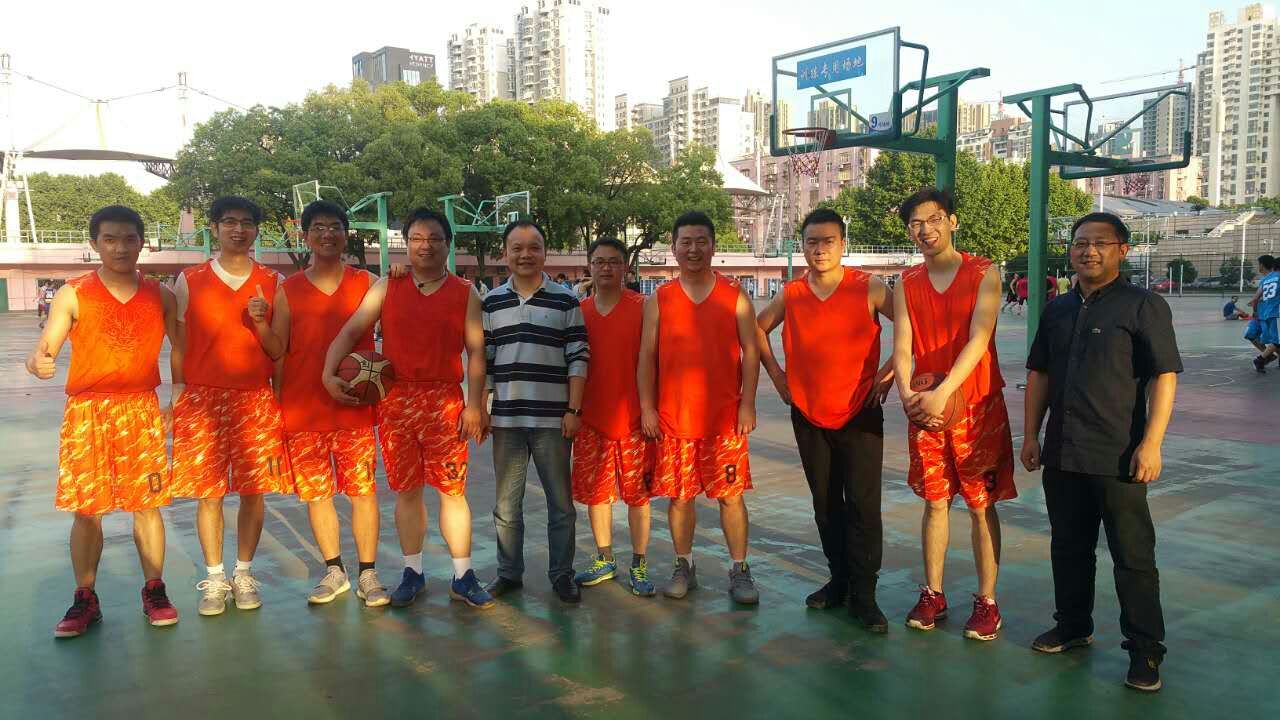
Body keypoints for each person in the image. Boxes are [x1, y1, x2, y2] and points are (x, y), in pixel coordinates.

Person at [1021, 212, 1181, 693]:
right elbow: (1040, 374)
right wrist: (1030, 435)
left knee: (1133, 557)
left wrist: (1151, 443)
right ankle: (1073, 625)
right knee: (1068, 548)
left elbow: (1163, 376)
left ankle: (1145, 650)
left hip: (1118, 456)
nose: (1088, 251)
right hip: (1063, 452)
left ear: (1122, 251)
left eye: (1101, 243)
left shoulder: (1143, 306)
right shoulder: (1057, 309)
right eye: (1080, 243)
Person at [323, 208, 493, 609]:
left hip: (444, 402)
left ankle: (463, 575)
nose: (425, 245)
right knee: (407, 492)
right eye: (416, 238)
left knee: (453, 491)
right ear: (406, 244)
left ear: (447, 244)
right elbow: (351, 330)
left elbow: (476, 351)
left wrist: (475, 404)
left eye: (434, 238)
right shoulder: (387, 287)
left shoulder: (465, 292)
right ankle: (413, 572)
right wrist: (328, 373)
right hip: (396, 402)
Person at [27, 205, 180, 637]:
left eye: (129, 239)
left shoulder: (161, 295)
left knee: (146, 505)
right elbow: (46, 347)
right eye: (110, 239)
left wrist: (179, 396)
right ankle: (85, 598)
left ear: (142, 244)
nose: (120, 247)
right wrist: (37, 362)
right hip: (87, 411)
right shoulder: (73, 293)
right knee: (87, 509)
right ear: (94, 243)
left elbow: (184, 349)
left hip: (141, 409)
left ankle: (155, 591)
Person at [755, 208, 894, 630]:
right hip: (808, 413)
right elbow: (757, 329)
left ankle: (865, 596)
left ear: (843, 244)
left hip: (860, 412)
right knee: (826, 505)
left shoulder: (869, 287)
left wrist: (889, 372)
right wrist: (778, 376)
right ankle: (840, 581)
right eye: (812, 241)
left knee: (863, 507)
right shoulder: (792, 293)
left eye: (828, 241)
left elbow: (914, 326)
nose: (820, 249)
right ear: (802, 245)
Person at [891, 187, 1016, 641]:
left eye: (934, 219)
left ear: (952, 221)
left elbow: (979, 338)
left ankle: (987, 601)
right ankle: (933, 593)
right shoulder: (906, 282)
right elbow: (902, 345)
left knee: (981, 506)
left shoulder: (984, 272)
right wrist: (908, 393)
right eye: (916, 223)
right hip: (926, 408)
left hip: (976, 405)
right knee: (935, 502)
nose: (925, 230)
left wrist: (944, 391)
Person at [252, 201, 388, 607]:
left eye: (334, 227)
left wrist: (399, 273)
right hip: (304, 407)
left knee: (362, 492)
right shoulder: (288, 289)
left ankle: (368, 574)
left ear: (346, 234)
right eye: (318, 227)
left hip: (352, 405)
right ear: (306, 235)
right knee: (317, 494)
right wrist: (259, 323)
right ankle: (334, 571)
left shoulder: (368, 282)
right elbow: (278, 350)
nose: (327, 234)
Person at [170, 196, 289, 616]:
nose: (238, 229)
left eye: (247, 222)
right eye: (229, 222)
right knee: (209, 494)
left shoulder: (274, 281)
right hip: (203, 399)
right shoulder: (189, 279)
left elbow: (279, 350)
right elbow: (179, 344)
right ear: (215, 228)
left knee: (254, 492)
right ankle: (215, 576)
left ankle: (244, 572)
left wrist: (259, 321)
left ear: (256, 229)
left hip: (254, 397)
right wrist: (178, 390)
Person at [638, 210, 761, 604]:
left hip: (724, 419)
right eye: (685, 242)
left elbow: (752, 351)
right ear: (674, 248)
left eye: (701, 241)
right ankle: (684, 565)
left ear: (712, 246)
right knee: (680, 497)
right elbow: (646, 357)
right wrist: (647, 407)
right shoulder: (660, 298)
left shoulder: (734, 294)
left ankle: (739, 568)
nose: (693, 249)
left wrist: (747, 403)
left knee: (731, 496)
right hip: (674, 418)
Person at [483, 220, 586, 604]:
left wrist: (573, 409)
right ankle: (509, 572)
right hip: (507, 420)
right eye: (517, 247)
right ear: (505, 253)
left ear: (544, 252)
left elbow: (578, 357)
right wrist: (482, 408)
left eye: (534, 247)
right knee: (506, 506)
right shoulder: (491, 303)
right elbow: (485, 360)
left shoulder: (566, 301)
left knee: (561, 505)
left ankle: (562, 574)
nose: (525, 254)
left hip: (552, 420)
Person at [570, 238, 655, 596]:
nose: (606, 268)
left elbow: (654, 361)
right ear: (589, 267)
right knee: (596, 495)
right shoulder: (578, 312)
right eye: (600, 261)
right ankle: (605, 558)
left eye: (614, 261)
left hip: (635, 420)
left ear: (626, 268)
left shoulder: (644, 307)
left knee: (638, 497)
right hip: (591, 419)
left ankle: (639, 562)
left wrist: (650, 408)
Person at [1248, 255, 1279, 373]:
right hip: (1276, 312)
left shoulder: (1265, 279)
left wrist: (1255, 310)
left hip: (1266, 314)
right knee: (1277, 341)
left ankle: (1262, 359)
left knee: (1275, 340)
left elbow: (1255, 298)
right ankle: (1260, 360)